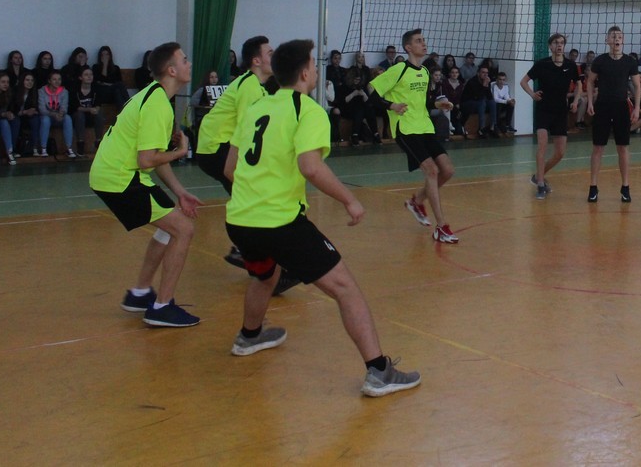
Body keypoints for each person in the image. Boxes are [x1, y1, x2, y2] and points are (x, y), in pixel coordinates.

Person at [222, 38, 421, 397]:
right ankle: (379, 372)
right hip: (279, 223)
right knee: (346, 289)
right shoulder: (308, 110)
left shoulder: (256, 107)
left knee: (265, 275)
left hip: (239, 221)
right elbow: (311, 167)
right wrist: (350, 200)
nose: (316, 69)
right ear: (304, 73)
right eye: (313, 64)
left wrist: (259, 193)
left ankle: (249, 337)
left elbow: (230, 169)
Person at [88, 42, 203, 327]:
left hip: (114, 174)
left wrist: (180, 192)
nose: (189, 64)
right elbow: (147, 159)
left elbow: (153, 158)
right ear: (172, 70)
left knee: (168, 228)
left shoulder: (154, 96)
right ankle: (162, 307)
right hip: (120, 178)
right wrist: (181, 151)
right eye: (184, 60)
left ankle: (140, 293)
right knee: (183, 229)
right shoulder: (157, 105)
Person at [197, 36, 285, 280]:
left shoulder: (259, 87)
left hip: (217, 147)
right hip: (216, 148)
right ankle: (251, 252)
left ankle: (250, 252)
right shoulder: (249, 86)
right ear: (256, 61)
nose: (274, 57)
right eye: (270, 53)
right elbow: (250, 130)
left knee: (248, 197)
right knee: (252, 195)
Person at [371, 29, 459, 243]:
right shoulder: (398, 70)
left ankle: (416, 201)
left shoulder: (425, 72)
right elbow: (372, 96)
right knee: (432, 171)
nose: (423, 44)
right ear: (408, 47)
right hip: (405, 129)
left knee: (447, 170)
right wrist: (391, 105)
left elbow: (424, 102)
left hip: (424, 127)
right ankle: (441, 228)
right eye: (419, 41)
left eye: (424, 40)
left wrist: (438, 104)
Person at [584, 26, 641, 203]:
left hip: (621, 107)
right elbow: (590, 81)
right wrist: (590, 102)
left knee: (623, 148)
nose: (616, 39)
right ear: (607, 40)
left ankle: (625, 187)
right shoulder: (600, 61)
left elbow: (637, 86)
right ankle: (593, 187)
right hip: (602, 106)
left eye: (619, 36)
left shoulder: (630, 61)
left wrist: (637, 108)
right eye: (613, 36)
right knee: (598, 147)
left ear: (622, 40)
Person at [519, 33, 577, 199]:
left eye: (561, 43)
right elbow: (523, 81)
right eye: (556, 43)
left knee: (560, 153)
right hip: (544, 110)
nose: (559, 45)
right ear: (550, 46)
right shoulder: (542, 64)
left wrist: (576, 100)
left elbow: (579, 83)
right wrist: (532, 94)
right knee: (542, 147)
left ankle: (538, 175)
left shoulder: (570, 65)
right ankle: (540, 185)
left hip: (560, 111)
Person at [36, 71, 76, 158]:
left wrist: (61, 113)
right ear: (49, 81)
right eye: (54, 79)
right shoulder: (41, 91)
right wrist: (54, 114)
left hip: (58, 117)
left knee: (67, 118)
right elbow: (42, 109)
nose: (57, 81)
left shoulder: (64, 91)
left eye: (59, 79)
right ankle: (43, 148)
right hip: (46, 116)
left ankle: (69, 148)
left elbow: (64, 107)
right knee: (45, 120)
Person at [71, 67, 108, 155]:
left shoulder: (96, 88)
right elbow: (75, 107)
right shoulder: (75, 89)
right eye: (86, 75)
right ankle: (80, 143)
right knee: (79, 115)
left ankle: (98, 141)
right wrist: (89, 109)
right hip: (78, 116)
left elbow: (98, 104)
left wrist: (96, 109)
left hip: (91, 115)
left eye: (91, 74)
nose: (89, 77)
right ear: (80, 77)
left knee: (99, 114)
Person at [460, 64, 495, 138]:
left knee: (492, 102)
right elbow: (478, 97)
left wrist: (487, 85)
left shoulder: (486, 81)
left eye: (487, 73)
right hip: (467, 103)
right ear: (478, 73)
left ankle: (493, 127)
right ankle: (481, 129)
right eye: (483, 72)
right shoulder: (472, 82)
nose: (485, 74)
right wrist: (484, 85)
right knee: (482, 102)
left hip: (479, 102)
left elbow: (490, 97)